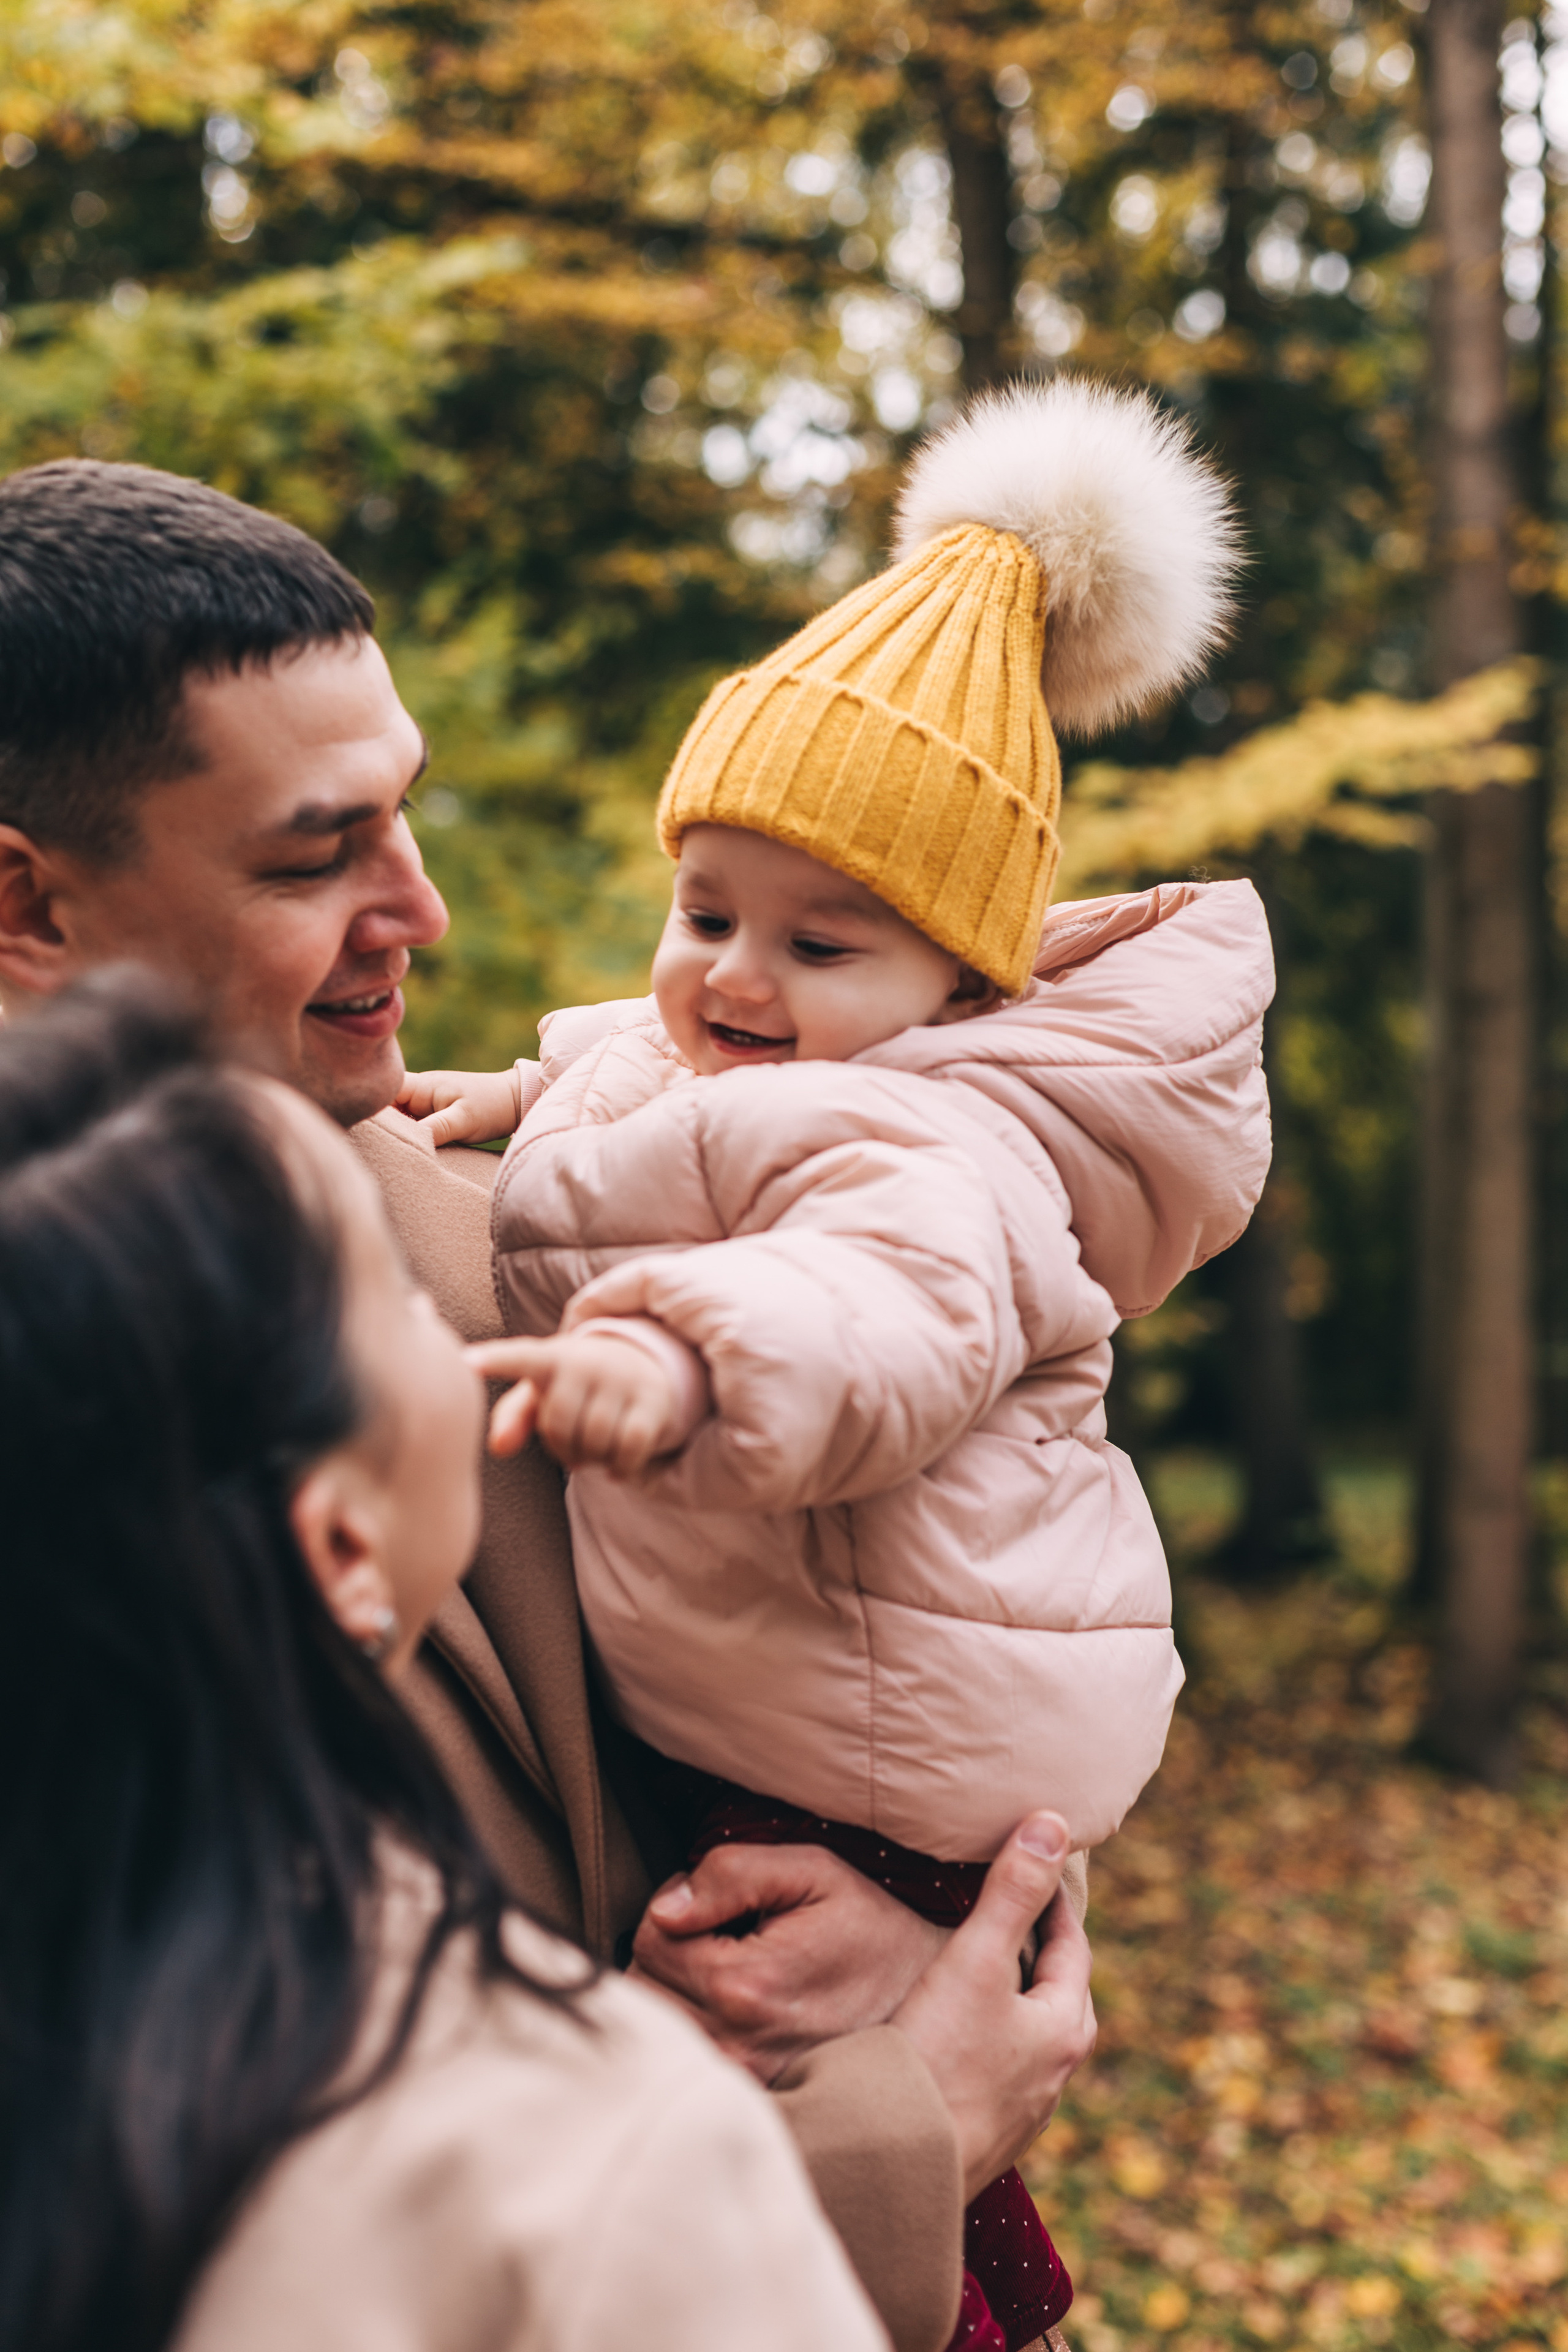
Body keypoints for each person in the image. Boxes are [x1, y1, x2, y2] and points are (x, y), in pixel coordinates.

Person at [0, 455, 1099, 2352]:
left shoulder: (512, 1223)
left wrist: (922, 1907)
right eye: (311, 854)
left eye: (405, 821)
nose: (418, 910)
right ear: (28, 902)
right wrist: (891, 2133)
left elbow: (934, 1578)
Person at [397, 380, 1272, 2352]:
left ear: (958, 987)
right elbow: (648, 1090)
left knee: (784, 2042)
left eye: (821, 943)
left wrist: (691, 1370)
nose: (732, 980)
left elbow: (878, 1315)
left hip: (882, 1752)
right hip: (826, 1697)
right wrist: (511, 1090)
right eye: (705, 910)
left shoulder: (936, 1149)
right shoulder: (747, 1052)